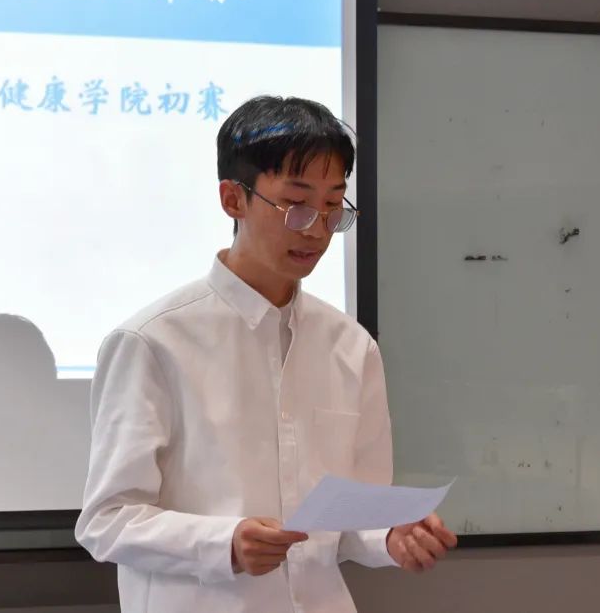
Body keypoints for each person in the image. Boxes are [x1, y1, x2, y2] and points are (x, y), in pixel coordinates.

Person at [75, 96, 458, 612]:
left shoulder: (351, 346)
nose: (317, 229)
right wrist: (224, 544)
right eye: (296, 205)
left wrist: (390, 537)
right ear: (233, 199)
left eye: (333, 207)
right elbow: (107, 520)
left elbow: (351, 520)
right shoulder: (152, 342)